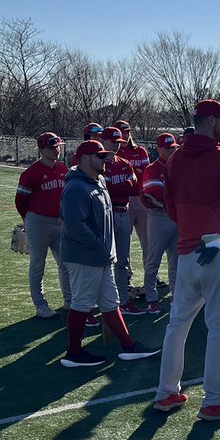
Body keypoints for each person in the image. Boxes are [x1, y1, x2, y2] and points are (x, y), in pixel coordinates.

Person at [152, 100, 220, 420]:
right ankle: (214, 399)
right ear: (211, 122)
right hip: (216, 245)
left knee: (178, 322)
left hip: (188, 245)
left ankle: (167, 391)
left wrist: (190, 231)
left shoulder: (176, 157)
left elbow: (169, 204)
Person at [59, 140, 160, 369]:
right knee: (82, 302)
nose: (105, 160)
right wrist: (100, 247)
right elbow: (75, 225)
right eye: (99, 156)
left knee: (110, 301)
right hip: (85, 256)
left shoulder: (98, 181)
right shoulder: (76, 188)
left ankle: (128, 345)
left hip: (100, 256)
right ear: (84, 158)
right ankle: (73, 352)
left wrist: (105, 251)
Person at [15, 132, 71, 319]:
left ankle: (69, 301)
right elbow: (20, 200)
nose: (57, 150)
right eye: (52, 147)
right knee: (38, 263)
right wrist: (28, 219)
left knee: (65, 262)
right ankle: (40, 304)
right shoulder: (31, 172)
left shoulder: (63, 169)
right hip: (38, 221)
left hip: (60, 221)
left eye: (58, 146)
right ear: (41, 149)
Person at [99, 126, 140, 312]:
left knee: (122, 261)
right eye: (113, 142)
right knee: (104, 260)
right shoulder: (98, 163)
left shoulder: (124, 162)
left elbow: (134, 187)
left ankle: (122, 301)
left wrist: (119, 188)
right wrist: (122, 187)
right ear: (104, 141)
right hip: (107, 213)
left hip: (124, 211)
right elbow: (108, 191)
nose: (116, 146)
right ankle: (100, 303)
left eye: (119, 142)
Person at [140, 133, 180, 315]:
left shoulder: (180, 166)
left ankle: (176, 296)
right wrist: (175, 195)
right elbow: (154, 192)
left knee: (176, 260)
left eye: (173, 147)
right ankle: (152, 298)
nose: (171, 150)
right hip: (159, 216)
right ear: (158, 149)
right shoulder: (152, 168)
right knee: (153, 260)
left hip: (177, 217)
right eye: (167, 148)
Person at [116, 119, 151, 268]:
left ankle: (151, 275)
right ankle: (126, 277)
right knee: (124, 240)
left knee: (147, 240)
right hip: (125, 199)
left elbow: (146, 174)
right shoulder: (115, 152)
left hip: (141, 197)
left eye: (128, 132)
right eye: (123, 132)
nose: (126, 135)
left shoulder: (140, 151)